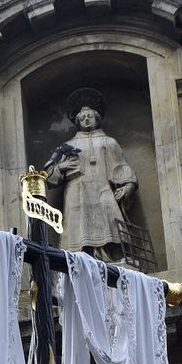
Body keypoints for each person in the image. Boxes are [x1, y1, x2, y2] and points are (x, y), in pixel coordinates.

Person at [44, 88, 138, 261]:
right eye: (82, 117)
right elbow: (48, 174)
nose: (86, 119)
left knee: (108, 220)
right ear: (77, 121)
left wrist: (128, 187)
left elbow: (121, 167)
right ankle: (79, 260)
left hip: (102, 189)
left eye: (90, 116)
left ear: (97, 118)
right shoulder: (67, 145)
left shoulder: (109, 142)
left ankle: (110, 257)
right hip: (75, 192)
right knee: (78, 228)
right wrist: (63, 166)